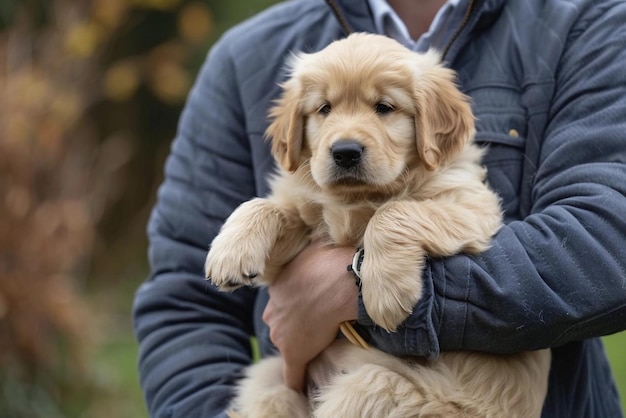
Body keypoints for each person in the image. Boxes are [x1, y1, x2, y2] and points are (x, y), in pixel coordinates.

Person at [132, 0, 626, 416]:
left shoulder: (589, 22)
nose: (345, 140)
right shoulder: (244, 58)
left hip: (450, 394)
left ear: (435, 130)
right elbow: (186, 302)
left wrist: (352, 284)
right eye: (323, 110)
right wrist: (258, 220)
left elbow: (605, 240)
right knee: (265, 396)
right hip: (319, 388)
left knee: (360, 399)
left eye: (384, 108)